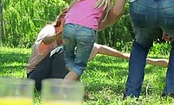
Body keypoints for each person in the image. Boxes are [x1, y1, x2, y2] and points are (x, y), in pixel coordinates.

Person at [26, 7, 166, 91]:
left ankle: (67, 89)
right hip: (35, 78)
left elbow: (102, 49)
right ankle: (63, 90)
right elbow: (45, 41)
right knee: (62, 51)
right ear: (62, 18)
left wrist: (147, 60)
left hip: (52, 80)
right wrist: (59, 37)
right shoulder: (49, 30)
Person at [62, 0, 112, 82]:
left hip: (69, 27)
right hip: (87, 30)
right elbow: (101, 18)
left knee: (69, 58)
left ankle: (76, 88)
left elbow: (72, 10)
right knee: (79, 65)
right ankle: (64, 86)